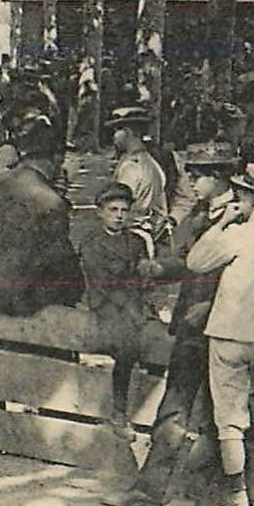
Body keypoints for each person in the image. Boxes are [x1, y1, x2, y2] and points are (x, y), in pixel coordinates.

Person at [100, 141, 237, 506]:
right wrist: (161, 268)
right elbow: (188, 261)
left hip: (225, 326)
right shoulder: (199, 214)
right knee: (173, 406)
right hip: (191, 327)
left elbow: (247, 277)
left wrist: (210, 308)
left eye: (198, 175)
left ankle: (194, 490)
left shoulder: (241, 218)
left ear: (220, 176)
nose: (190, 180)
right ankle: (152, 486)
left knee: (213, 414)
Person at [185, 162, 254, 506]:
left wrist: (221, 223)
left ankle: (238, 502)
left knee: (229, 420)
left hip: (229, 334)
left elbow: (196, 262)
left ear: (247, 197)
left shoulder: (239, 234)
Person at [78, 182, 161, 438]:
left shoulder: (136, 241)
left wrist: (144, 295)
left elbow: (145, 280)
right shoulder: (92, 243)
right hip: (106, 307)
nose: (119, 216)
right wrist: (132, 306)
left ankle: (154, 412)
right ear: (100, 212)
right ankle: (119, 413)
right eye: (113, 210)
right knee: (126, 345)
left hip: (134, 304)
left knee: (161, 340)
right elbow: (102, 284)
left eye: (124, 210)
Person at [0, 119, 84, 317]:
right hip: (29, 303)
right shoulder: (51, 201)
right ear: (56, 158)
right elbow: (61, 262)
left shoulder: (2, 182)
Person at [107, 105, 170, 239]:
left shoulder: (131, 167)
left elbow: (120, 207)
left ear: (128, 132)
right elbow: (161, 211)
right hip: (148, 234)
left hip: (130, 235)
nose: (114, 136)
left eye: (117, 130)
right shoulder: (152, 163)